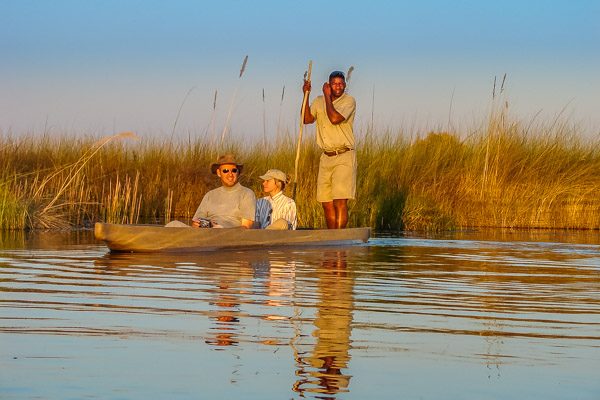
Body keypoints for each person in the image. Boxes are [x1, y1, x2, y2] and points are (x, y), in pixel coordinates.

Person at [302, 70, 356, 229]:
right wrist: (305, 96)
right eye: (334, 84)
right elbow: (306, 119)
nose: (338, 86)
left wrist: (326, 96)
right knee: (326, 202)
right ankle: (332, 238)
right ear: (328, 84)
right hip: (326, 156)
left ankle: (339, 239)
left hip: (344, 155)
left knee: (340, 200)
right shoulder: (318, 101)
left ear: (345, 85)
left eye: (341, 83)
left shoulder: (349, 101)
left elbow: (334, 119)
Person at [191, 154, 256, 228]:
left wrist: (220, 228)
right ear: (219, 173)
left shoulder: (247, 193)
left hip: (229, 234)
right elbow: (196, 222)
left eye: (234, 170)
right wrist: (196, 224)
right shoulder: (210, 195)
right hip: (206, 232)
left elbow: (245, 227)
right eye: (225, 171)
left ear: (238, 173)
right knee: (175, 224)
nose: (230, 174)